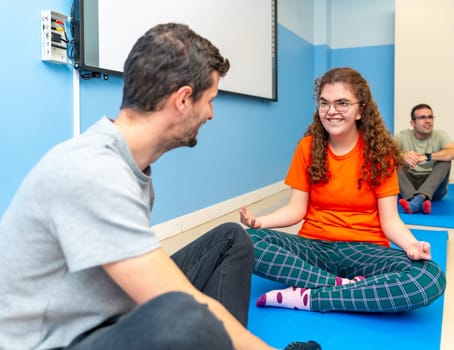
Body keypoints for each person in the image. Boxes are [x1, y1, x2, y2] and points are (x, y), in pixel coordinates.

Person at [0, 23, 320, 350]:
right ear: (183, 100)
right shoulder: (94, 173)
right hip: (58, 340)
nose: (211, 114)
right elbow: (173, 299)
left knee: (231, 239)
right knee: (184, 316)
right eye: (209, 100)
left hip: (104, 313)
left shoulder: (130, 164)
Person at [239, 67, 446, 313]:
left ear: (361, 110)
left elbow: (390, 220)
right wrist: (259, 222)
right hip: (314, 247)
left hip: (366, 250)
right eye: (324, 103)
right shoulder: (307, 148)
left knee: (430, 278)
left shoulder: (380, 153)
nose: (331, 111)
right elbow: (296, 209)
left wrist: (411, 245)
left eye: (342, 103)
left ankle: (311, 297)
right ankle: (345, 288)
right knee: (246, 241)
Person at [395, 103, 454, 214]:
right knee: (392, 161)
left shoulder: (440, 135)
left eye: (430, 117)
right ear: (412, 123)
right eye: (422, 118)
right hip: (408, 184)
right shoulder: (402, 136)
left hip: (434, 187)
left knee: (445, 161)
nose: (428, 121)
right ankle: (416, 199)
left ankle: (418, 199)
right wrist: (402, 156)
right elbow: (383, 152)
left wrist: (427, 156)